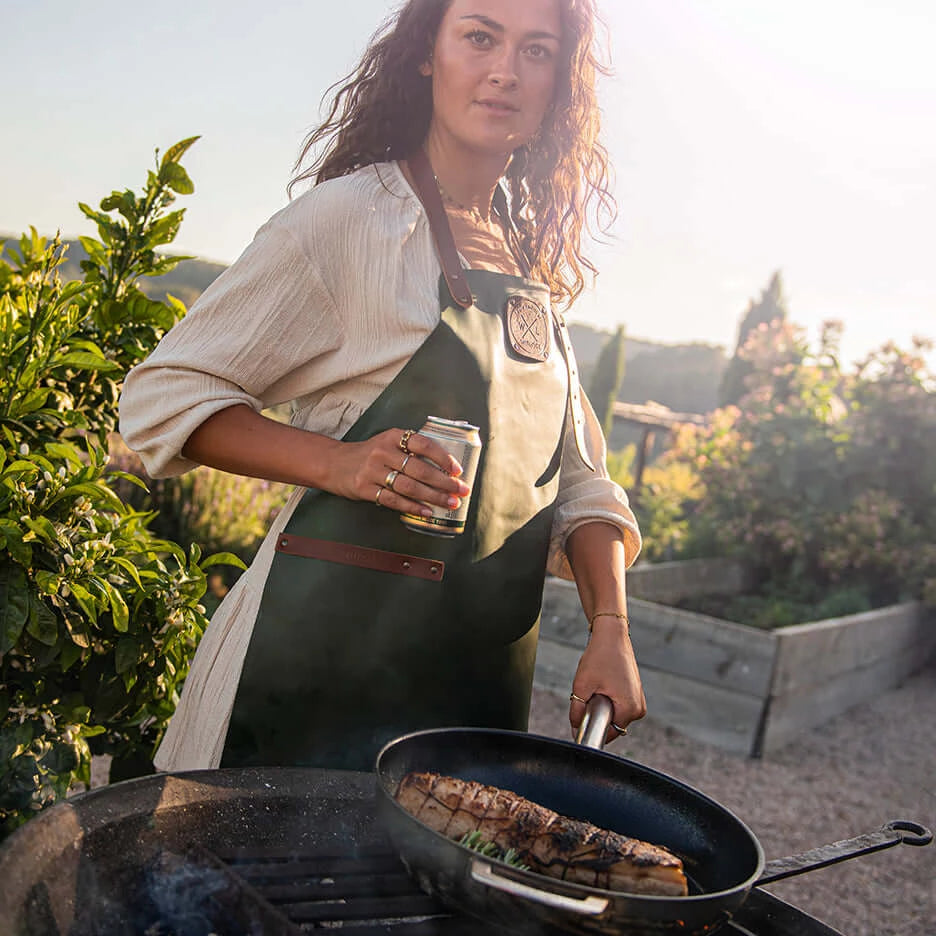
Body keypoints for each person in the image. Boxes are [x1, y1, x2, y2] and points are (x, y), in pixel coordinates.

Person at [119, 0, 647, 773]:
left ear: (558, 85)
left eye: (537, 51)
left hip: (465, 709)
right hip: (304, 689)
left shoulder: (529, 277)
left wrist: (611, 626)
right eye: (479, 36)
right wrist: (338, 463)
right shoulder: (348, 222)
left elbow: (580, 482)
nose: (505, 69)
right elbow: (161, 396)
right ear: (427, 54)